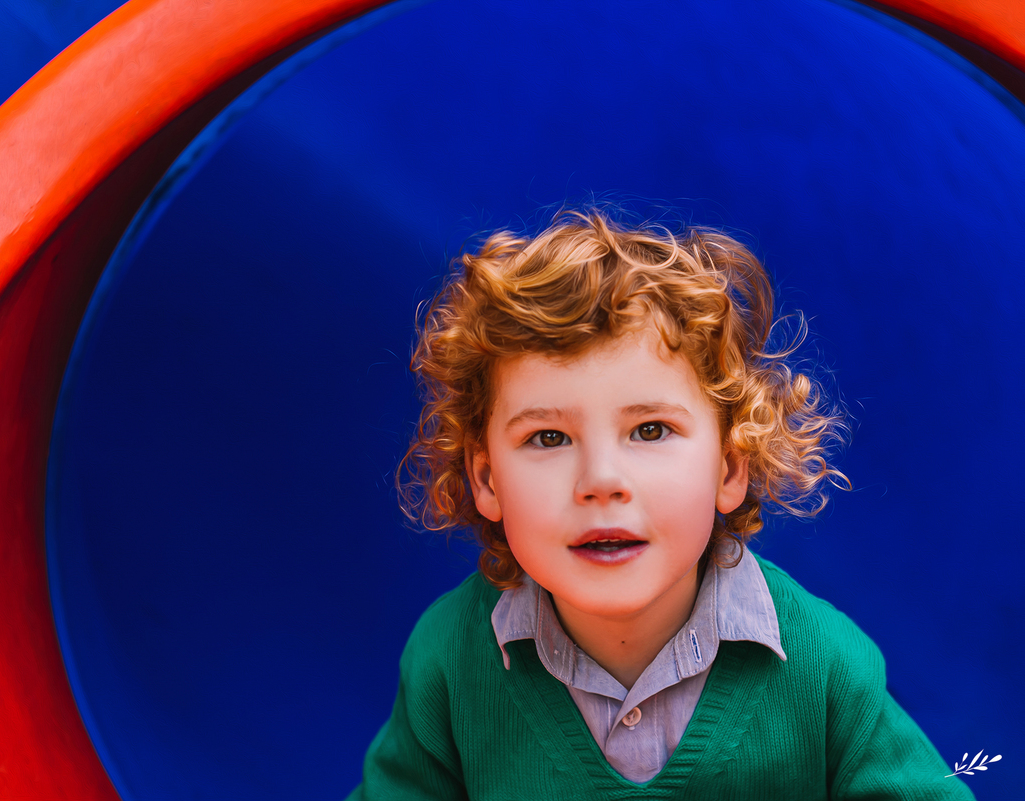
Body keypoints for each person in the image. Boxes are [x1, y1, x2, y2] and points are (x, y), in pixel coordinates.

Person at [346, 208, 974, 800]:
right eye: (549, 438)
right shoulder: (449, 660)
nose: (601, 480)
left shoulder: (827, 666)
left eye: (650, 430)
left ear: (730, 466)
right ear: (486, 481)